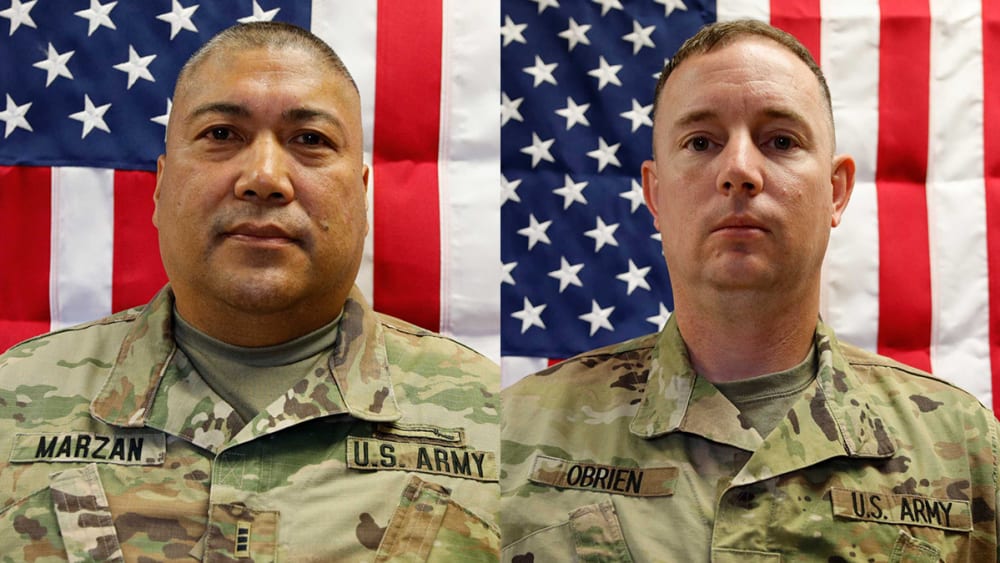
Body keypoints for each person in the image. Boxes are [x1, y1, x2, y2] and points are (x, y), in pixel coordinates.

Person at [500, 19, 1000, 561]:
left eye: (780, 140)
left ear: (835, 192)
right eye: (701, 142)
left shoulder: (968, 450)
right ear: (656, 194)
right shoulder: (513, 433)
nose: (739, 170)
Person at [0, 22, 499, 562]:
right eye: (221, 134)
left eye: (310, 140)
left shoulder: (499, 427)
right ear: (162, 185)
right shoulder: (12, 402)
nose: (264, 177)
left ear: (361, 197)